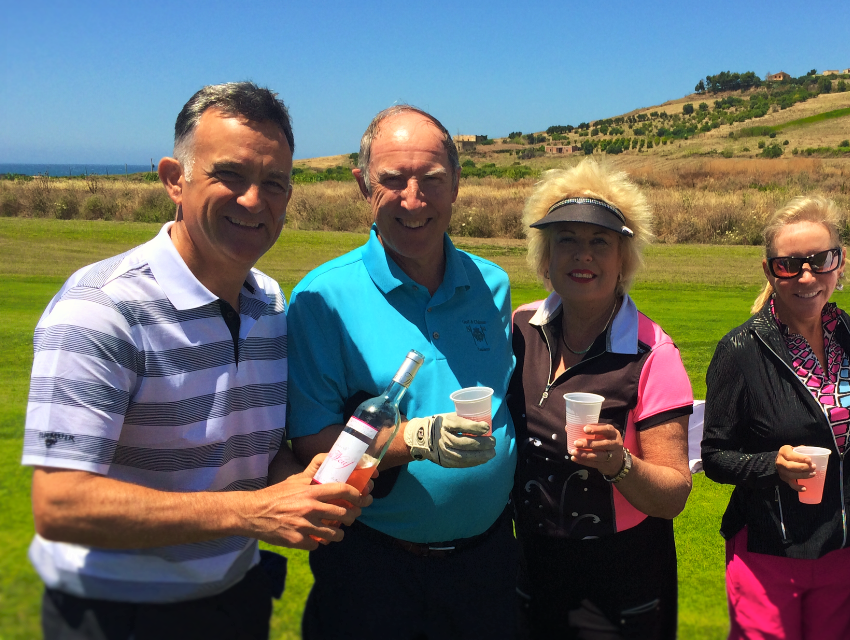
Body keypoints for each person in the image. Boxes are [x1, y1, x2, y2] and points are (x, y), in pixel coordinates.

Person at [22, 82, 372, 640]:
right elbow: (62, 504)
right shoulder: (102, 309)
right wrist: (253, 513)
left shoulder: (269, 302)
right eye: (229, 175)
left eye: (274, 183)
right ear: (174, 179)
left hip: (237, 597)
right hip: (117, 614)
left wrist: (301, 485)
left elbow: (248, 452)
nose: (254, 200)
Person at [286, 105, 515, 639]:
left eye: (432, 180)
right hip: (375, 569)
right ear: (363, 184)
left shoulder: (493, 285)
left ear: (456, 184)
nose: (414, 199)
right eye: (393, 180)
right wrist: (416, 439)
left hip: (487, 565)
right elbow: (310, 445)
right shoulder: (323, 298)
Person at [508, 159, 694, 639]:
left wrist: (620, 465)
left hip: (622, 578)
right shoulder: (517, 331)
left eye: (599, 242)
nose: (581, 255)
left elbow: (673, 493)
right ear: (545, 256)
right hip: (533, 565)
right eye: (566, 239)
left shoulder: (653, 352)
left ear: (623, 258)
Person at [701, 195, 850, 640]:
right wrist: (769, 465)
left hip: (845, 545)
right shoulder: (740, 350)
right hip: (769, 552)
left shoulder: (847, 334)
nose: (807, 276)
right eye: (789, 265)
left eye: (820, 260)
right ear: (769, 271)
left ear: (840, 262)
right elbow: (715, 456)